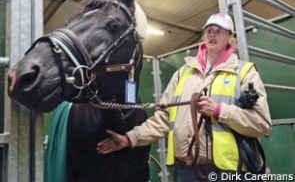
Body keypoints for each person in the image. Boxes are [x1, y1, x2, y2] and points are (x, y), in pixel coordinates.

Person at [97, 13, 272, 182]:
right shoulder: (182, 74)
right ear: (204, 36)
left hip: (226, 170)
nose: (213, 34)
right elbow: (163, 120)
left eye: (219, 31)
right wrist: (129, 139)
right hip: (185, 170)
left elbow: (261, 124)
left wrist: (219, 110)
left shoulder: (245, 73)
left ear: (230, 38)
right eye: (209, 30)